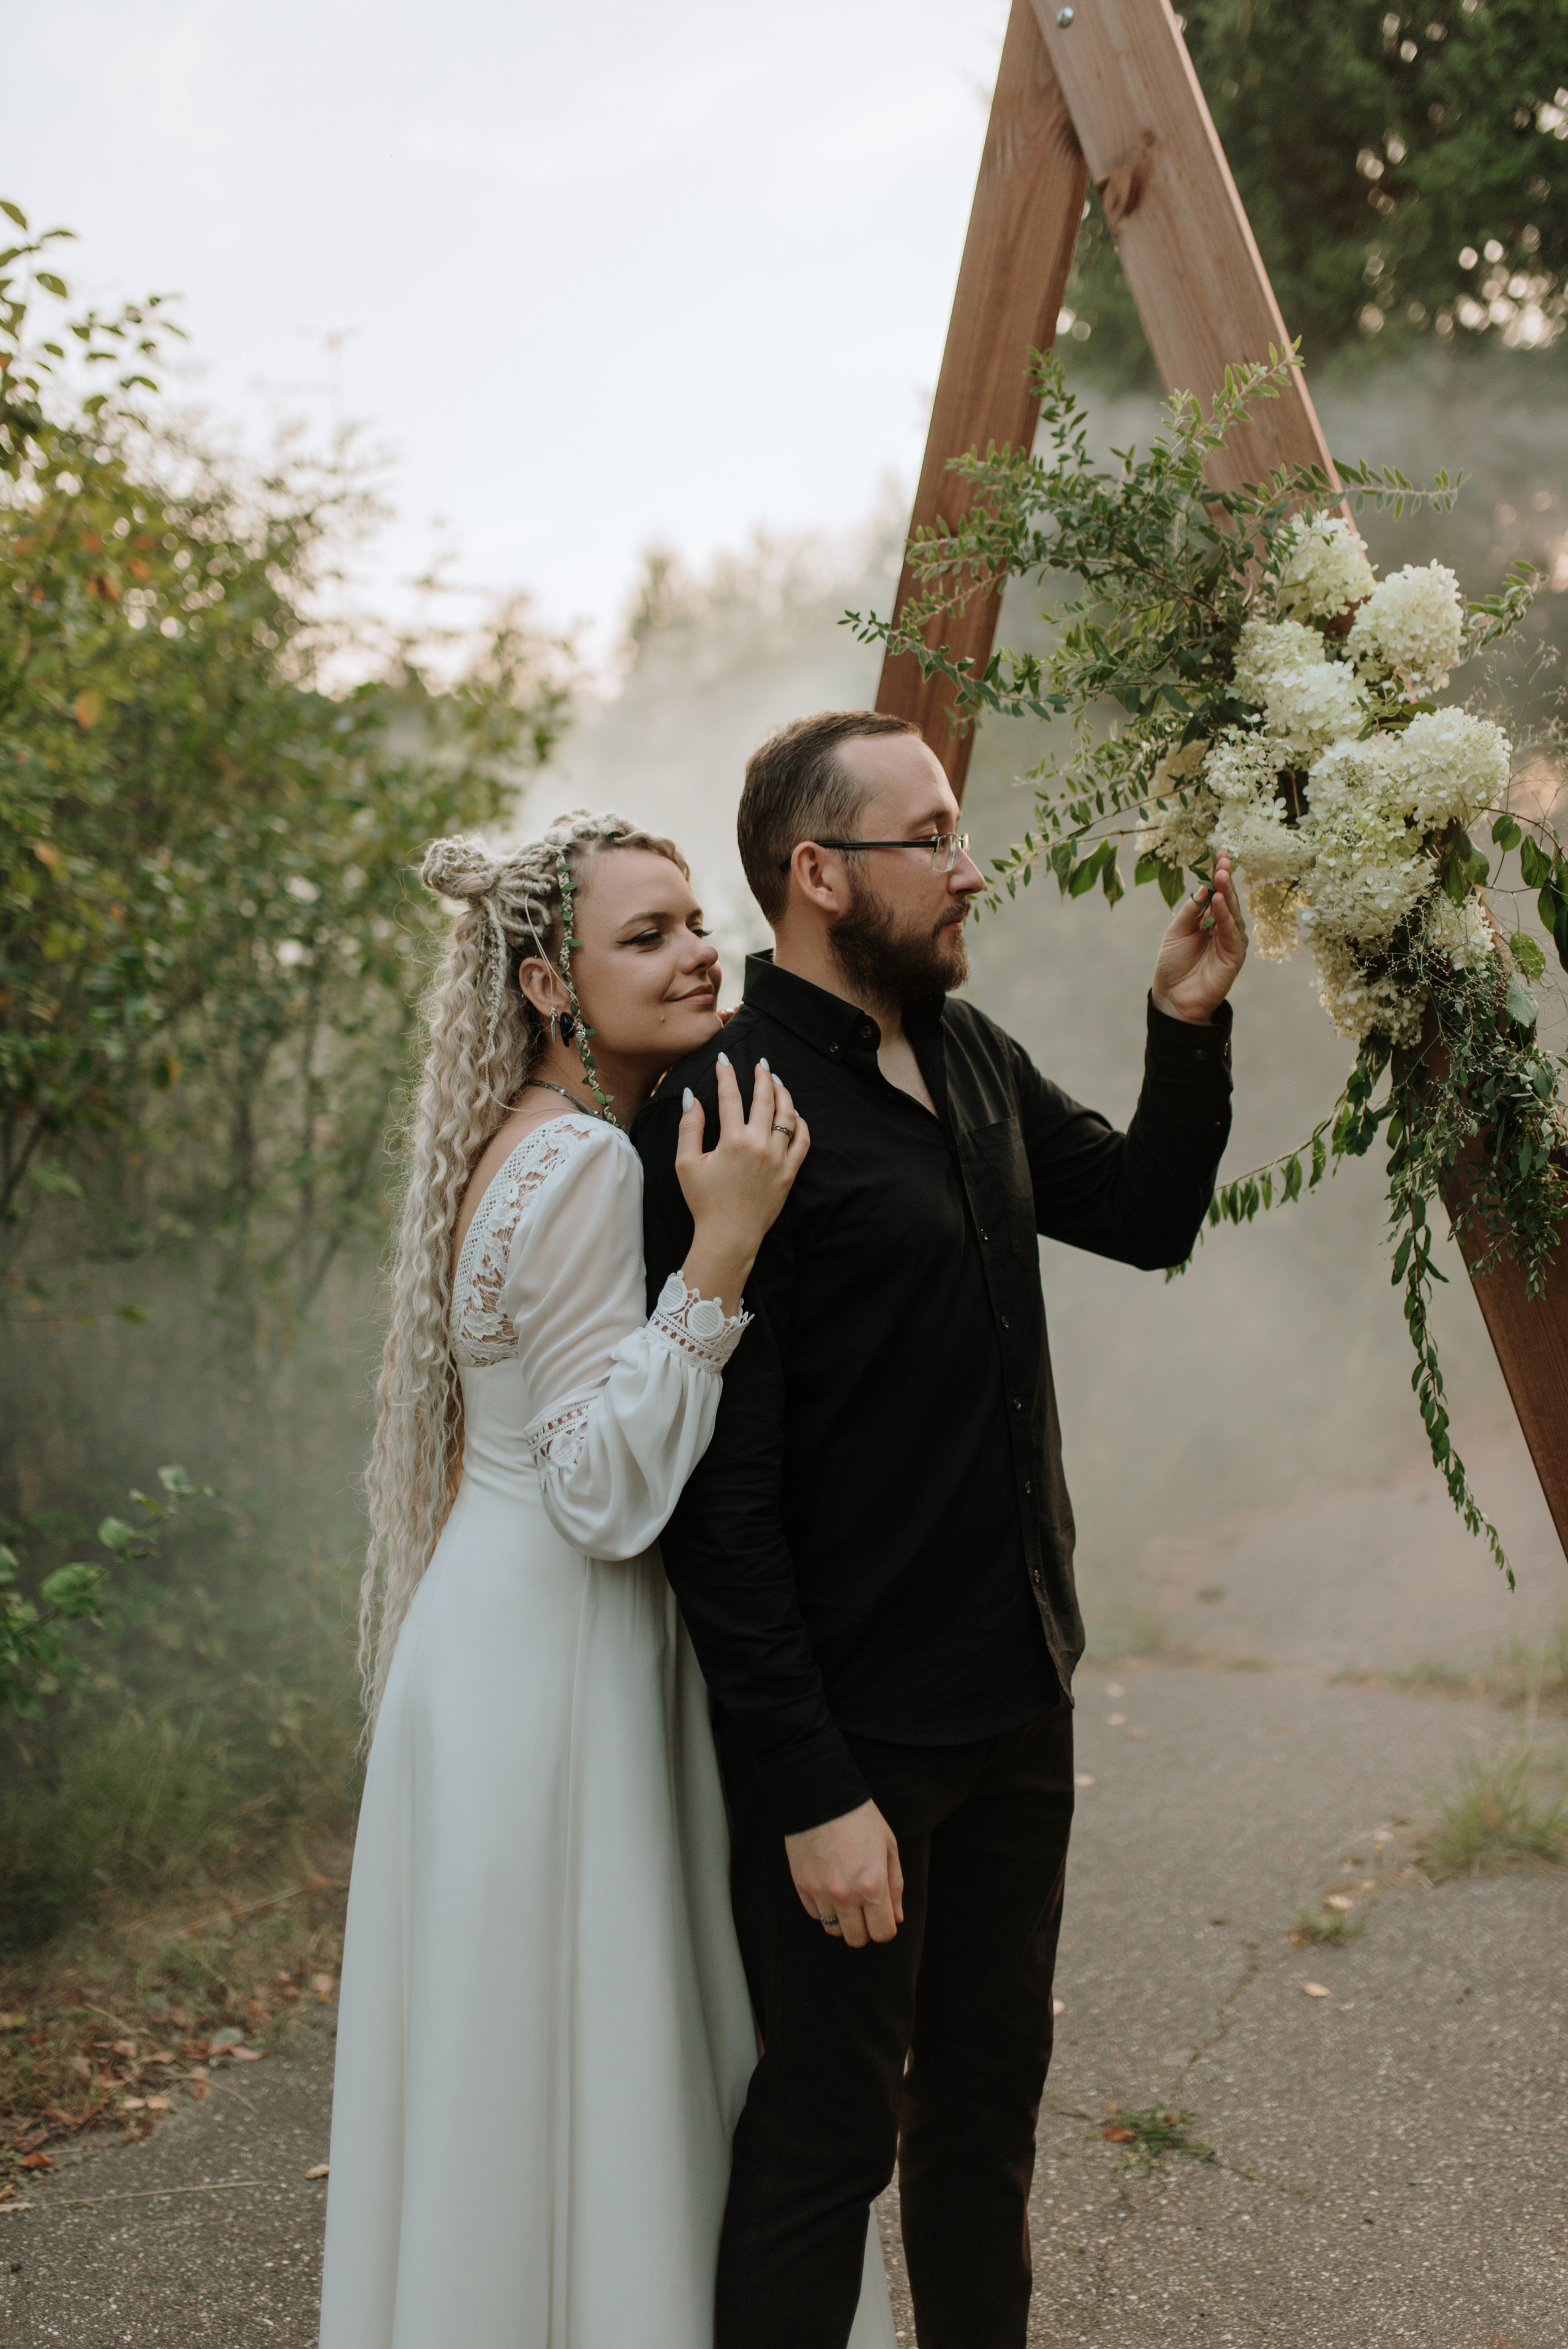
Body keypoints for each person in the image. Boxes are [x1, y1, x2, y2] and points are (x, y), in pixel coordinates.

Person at [635, 711, 1247, 2349]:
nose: (971, 864)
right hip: (860, 1740)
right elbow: (720, 1504)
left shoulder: (965, 1055)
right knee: (826, 2147)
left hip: (1016, 1697)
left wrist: (1183, 1028)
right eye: (935, 838)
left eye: (959, 828)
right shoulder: (722, 1111)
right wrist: (816, 1788)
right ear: (820, 873)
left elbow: (1141, 1214)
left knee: (982, 2132)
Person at [317, 811, 895, 2348]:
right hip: (557, 1655)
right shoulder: (581, 1163)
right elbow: (593, 1486)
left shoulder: (515, 1135)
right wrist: (721, 1253)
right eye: (644, 937)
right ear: (543, 982)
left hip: (485, 1642)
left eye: (696, 922)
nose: (700, 952)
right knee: (583, 2055)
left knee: (502, 2077)